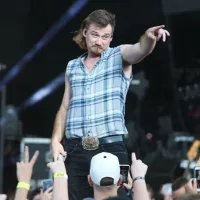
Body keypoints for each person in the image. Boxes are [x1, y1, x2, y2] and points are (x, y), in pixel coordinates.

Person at [51, 9, 170, 200]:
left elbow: (140, 50)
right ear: (85, 32)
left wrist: (150, 38)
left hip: (110, 148)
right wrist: (55, 140)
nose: (100, 41)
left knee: (118, 197)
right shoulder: (72, 66)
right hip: (75, 150)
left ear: (111, 37)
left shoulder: (118, 55)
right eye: (95, 35)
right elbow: (65, 107)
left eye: (105, 36)